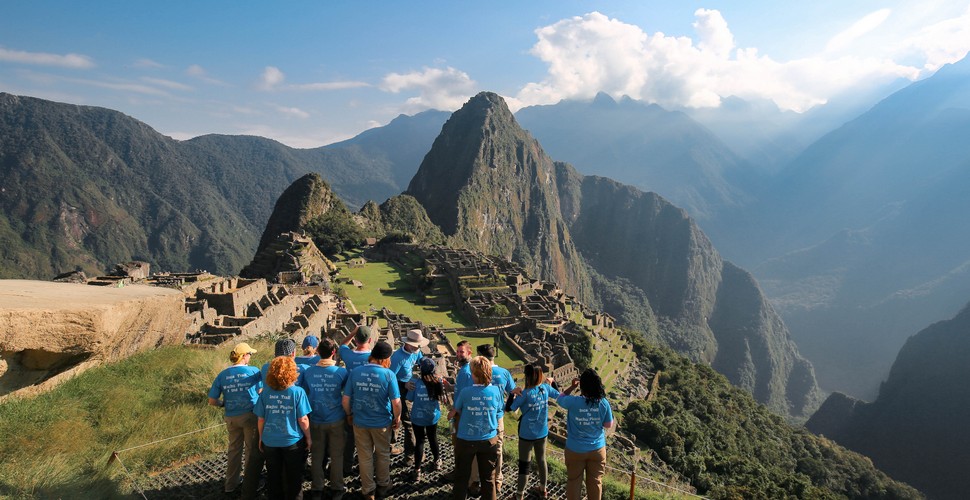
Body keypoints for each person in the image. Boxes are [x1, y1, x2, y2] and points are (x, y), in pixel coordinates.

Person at [342, 341, 401, 500]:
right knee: (382, 454)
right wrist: (398, 418)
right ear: (385, 359)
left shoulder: (355, 372)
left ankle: (368, 490)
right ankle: (383, 484)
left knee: (364, 456)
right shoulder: (389, 375)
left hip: (360, 421)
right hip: (381, 423)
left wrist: (349, 414)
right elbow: (396, 402)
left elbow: (346, 399)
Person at [208, 342, 263, 498]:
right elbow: (260, 390)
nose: (250, 357)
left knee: (233, 451)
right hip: (250, 416)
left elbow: (212, 400)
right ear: (244, 356)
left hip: (231, 417)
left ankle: (230, 484)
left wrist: (223, 404)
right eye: (250, 354)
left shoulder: (223, 374)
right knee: (251, 451)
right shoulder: (253, 371)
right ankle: (250, 483)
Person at [255, 356, 312, 500]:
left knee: (273, 478)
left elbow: (261, 419)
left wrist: (261, 438)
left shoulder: (265, 394)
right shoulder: (298, 392)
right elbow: (303, 419)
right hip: (292, 442)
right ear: (292, 372)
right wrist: (309, 437)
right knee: (294, 479)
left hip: (270, 441)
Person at [301, 338, 348, 500]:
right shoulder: (341, 372)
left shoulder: (308, 372)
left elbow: (305, 393)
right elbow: (345, 393)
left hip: (315, 418)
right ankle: (337, 487)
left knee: (316, 455)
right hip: (336, 418)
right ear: (334, 352)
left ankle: (317, 488)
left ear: (318, 352)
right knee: (337, 455)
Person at [557, 369, 614, 500]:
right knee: (595, 482)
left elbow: (560, 399)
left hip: (575, 449)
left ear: (582, 386)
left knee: (573, 481)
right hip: (597, 449)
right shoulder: (603, 403)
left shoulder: (573, 401)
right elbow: (608, 425)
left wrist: (572, 386)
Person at [452, 356, 503, 500]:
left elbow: (458, 409)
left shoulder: (466, 392)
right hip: (489, 439)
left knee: (461, 477)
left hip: (466, 439)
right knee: (488, 479)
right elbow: (499, 411)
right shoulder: (495, 391)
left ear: (474, 374)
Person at [509, 364, 559, 499]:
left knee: (524, 465)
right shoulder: (545, 388)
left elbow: (511, 408)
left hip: (526, 434)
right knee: (542, 460)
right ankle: (543, 490)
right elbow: (559, 395)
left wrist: (512, 393)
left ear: (527, 376)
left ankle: (519, 495)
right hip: (542, 432)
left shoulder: (524, 394)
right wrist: (552, 383)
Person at [477, 343, 515, 494]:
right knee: (497, 449)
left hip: (479, 415)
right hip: (498, 416)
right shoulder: (504, 372)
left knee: (477, 448)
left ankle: (476, 481)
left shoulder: (476, 372)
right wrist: (507, 407)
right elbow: (513, 392)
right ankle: (497, 480)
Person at [337, 324, 374, 472]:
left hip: (351, 401)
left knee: (350, 437)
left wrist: (353, 332)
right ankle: (365, 466)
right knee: (368, 437)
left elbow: (342, 344)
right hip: (370, 401)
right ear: (370, 340)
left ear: (355, 339)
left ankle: (346, 465)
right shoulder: (373, 357)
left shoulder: (348, 355)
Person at [389, 329, 428, 458]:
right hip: (399, 391)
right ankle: (410, 455)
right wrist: (403, 384)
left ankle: (392, 444)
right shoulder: (397, 358)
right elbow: (390, 378)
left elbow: (422, 363)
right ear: (408, 343)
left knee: (404, 418)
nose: (418, 348)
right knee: (407, 421)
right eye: (416, 345)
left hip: (410, 388)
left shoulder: (415, 351)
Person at [408, 357, 445, 480]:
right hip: (432, 416)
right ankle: (437, 461)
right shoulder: (437, 382)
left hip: (418, 416)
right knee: (432, 438)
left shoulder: (415, 382)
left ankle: (417, 470)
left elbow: (410, 398)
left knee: (420, 441)